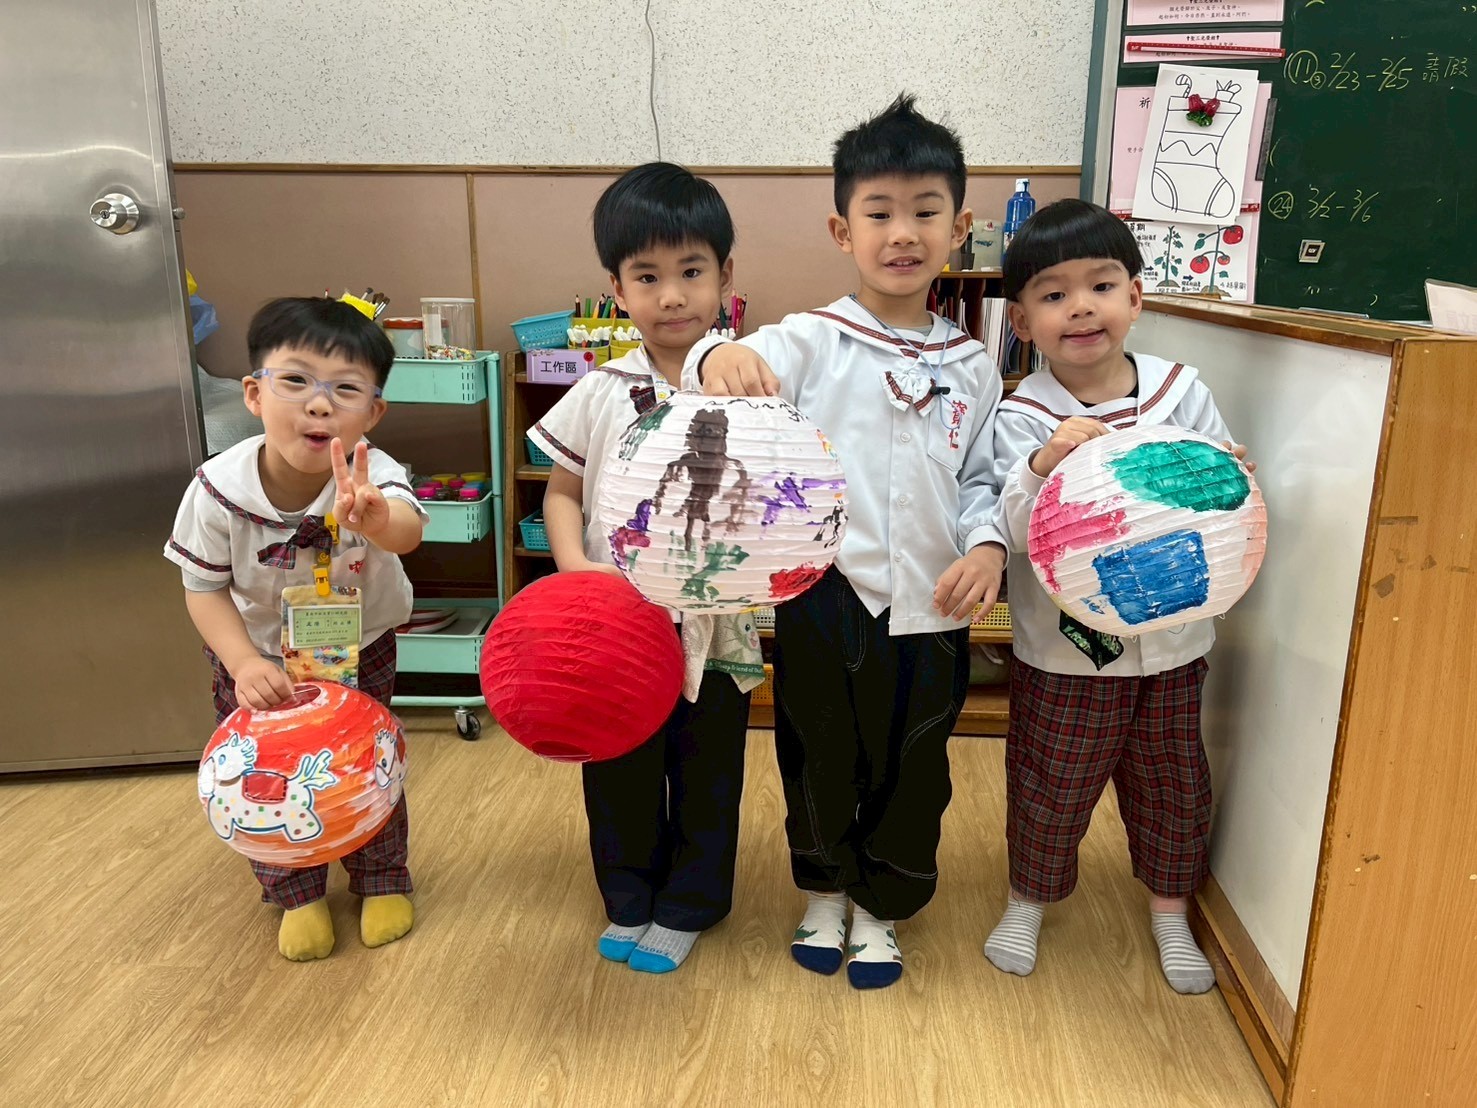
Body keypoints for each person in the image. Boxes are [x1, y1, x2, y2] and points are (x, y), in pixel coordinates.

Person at [691, 94, 1007, 989]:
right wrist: (716, 354)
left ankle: (882, 908)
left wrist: (988, 548)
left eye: (925, 212)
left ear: (958, 228)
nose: (902, 233)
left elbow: (983, 478)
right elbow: (717, 367)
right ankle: (825, 891)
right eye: (878, 214)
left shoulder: (971, 363)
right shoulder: (809, 340)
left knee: (916, 763)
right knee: (817, 749)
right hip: (824, 594)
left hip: (935, 601)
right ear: (842, 230)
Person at [984, 198, 1254, 994]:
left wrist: (1224, 475)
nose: (1080, 308)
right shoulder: (1022, 414)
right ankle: (1027, 901)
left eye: (1100, 286)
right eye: (1053, 294)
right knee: (1050, 780)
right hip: (1065, 654)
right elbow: (1010, 527)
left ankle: (1170, 911)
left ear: (1134, 298)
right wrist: (1041, 465)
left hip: (1173, 644)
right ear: (1021, 322)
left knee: (1173, 780)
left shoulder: (1180, 391)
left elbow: (1223, 505)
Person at [527, 163, 759, 975]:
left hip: (716, 625)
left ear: (724, 276)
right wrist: (575, 570)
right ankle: (627, 893)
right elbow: (561, 492)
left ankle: (690, 902)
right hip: (615, 624)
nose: (672, 296)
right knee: (616, 762)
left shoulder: (746, 382)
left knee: (707, 771)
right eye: (647, 277)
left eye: (691, 272)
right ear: (616, 289)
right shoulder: (600, 389)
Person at [165, 296, 426, 962]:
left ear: (373, 413)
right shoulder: (217, 488)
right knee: (265, 774)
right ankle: (296, 894)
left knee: (366, 760)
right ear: (254, 394)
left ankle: (381, 878)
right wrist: (241, 663)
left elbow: (407, 531)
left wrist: (377, 520)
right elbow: (202, 588)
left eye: (345, 389)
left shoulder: (372, 472)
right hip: (256, 654)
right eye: (296, 381)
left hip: (360, 648)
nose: (318, 404)